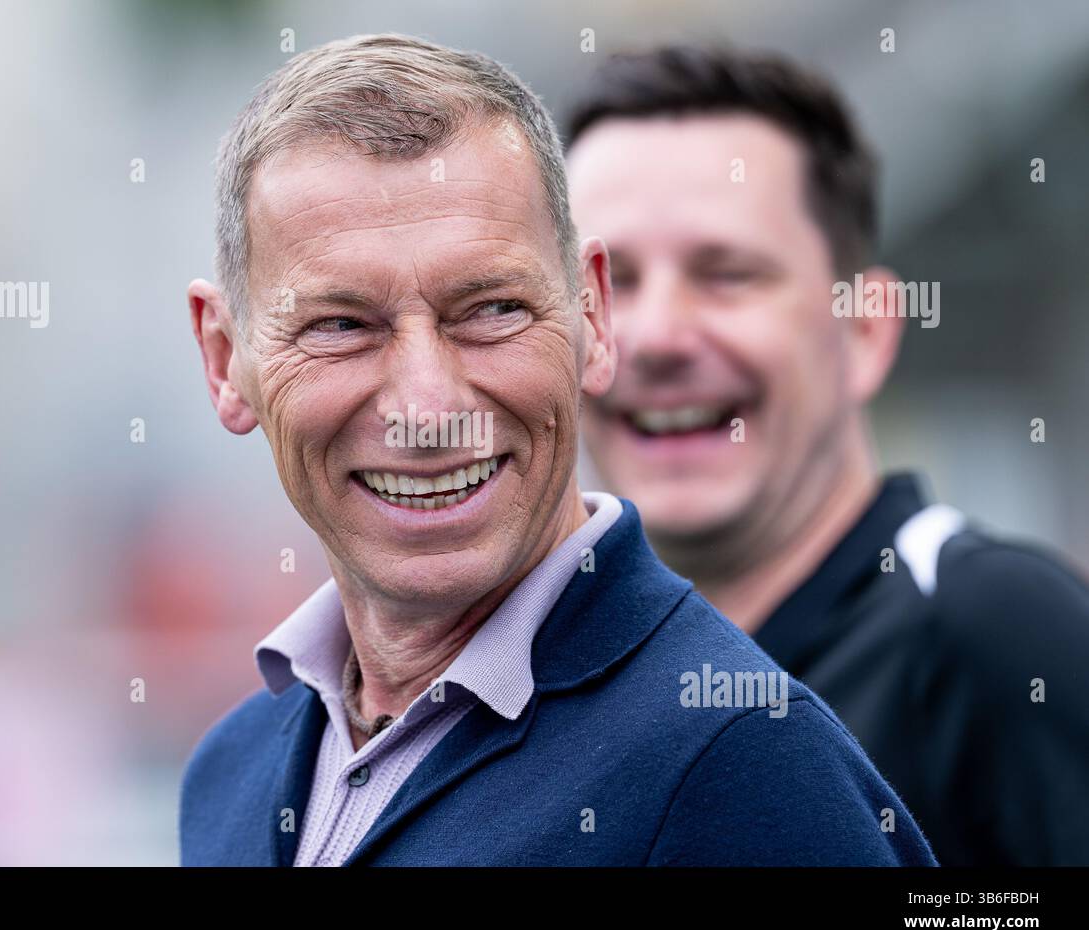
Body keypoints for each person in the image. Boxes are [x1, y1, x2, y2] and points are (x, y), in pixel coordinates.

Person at [178, 33, 936, 867]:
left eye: (492, 309)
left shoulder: (740, 763)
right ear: (225, 360)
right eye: (341, 326)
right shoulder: (230, 772)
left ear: (594, 318)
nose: (429, 409)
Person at [565, 45, 1089, 865]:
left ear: (865, 331)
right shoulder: (559, 684)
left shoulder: (989, 635)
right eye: (610, 282)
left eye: (727, 272)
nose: (657, 337)